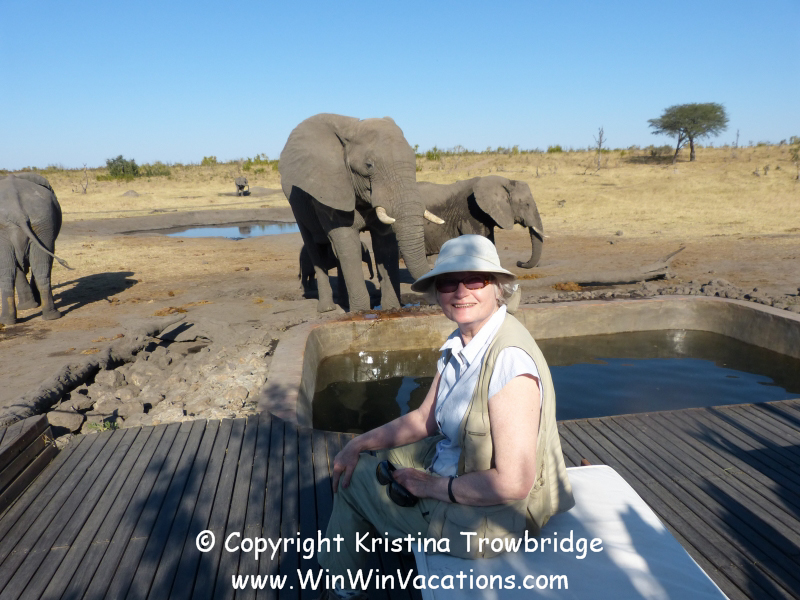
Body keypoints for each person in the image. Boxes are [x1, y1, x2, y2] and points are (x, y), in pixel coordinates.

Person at [317, 235, 574, 600]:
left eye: (474, 280)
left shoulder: (508, 362)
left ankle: (342, 587)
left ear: (497, 288)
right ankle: (368, 533)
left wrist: (429, 486)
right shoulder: (462, 342)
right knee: (369, 456)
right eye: (449, 282)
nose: (461, 291)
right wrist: (357, 443)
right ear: (438, 293)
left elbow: (514, 484)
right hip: (459, 464)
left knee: (353, 480)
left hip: (491, 522)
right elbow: (425, 418)